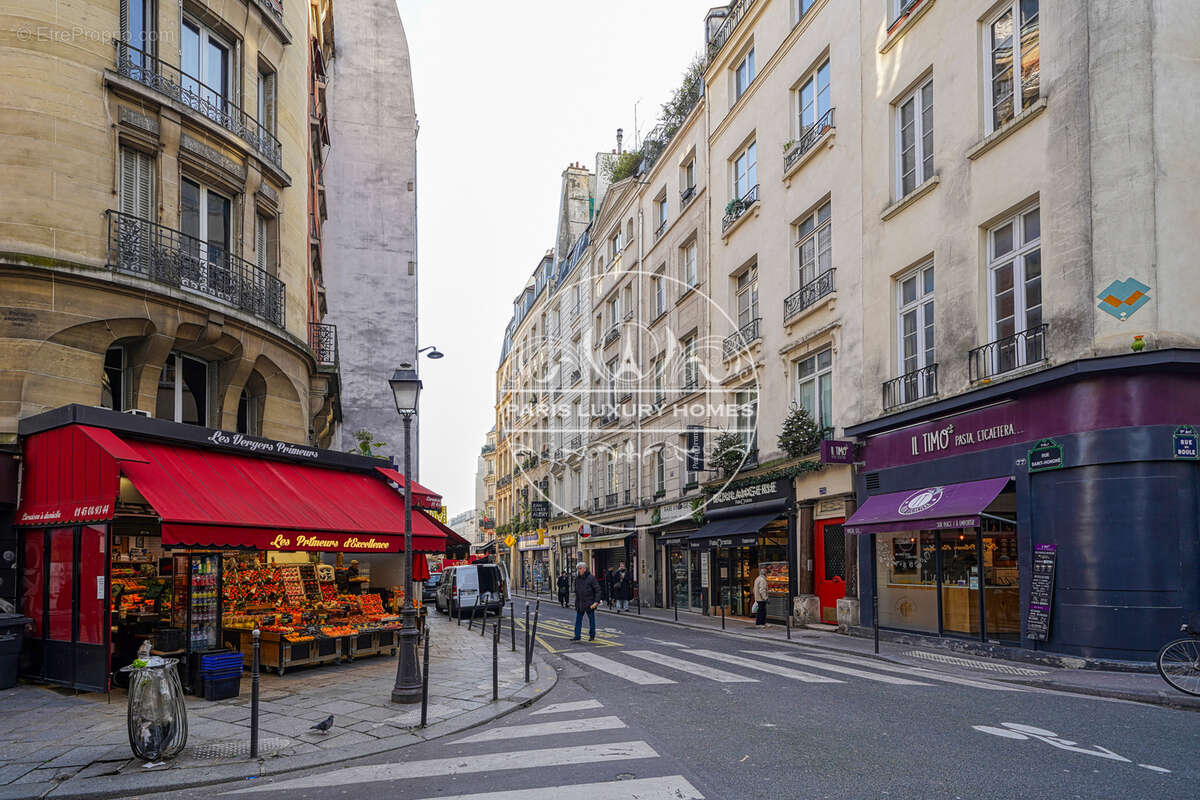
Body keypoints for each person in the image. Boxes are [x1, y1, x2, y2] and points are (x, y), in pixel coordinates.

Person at [572, 562, 602, 641]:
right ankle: (577, 636)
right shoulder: (577, 578)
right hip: (580, 603)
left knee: (591, 621)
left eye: (580, 568)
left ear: (585, 569)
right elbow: (576, 590)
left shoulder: (591, 578)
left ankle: (592, 636)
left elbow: (598, 590)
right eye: (578, 569)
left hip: (589, 603)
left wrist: (596, 601)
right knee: (578, 620)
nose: (579, 570)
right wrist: (576, 602)